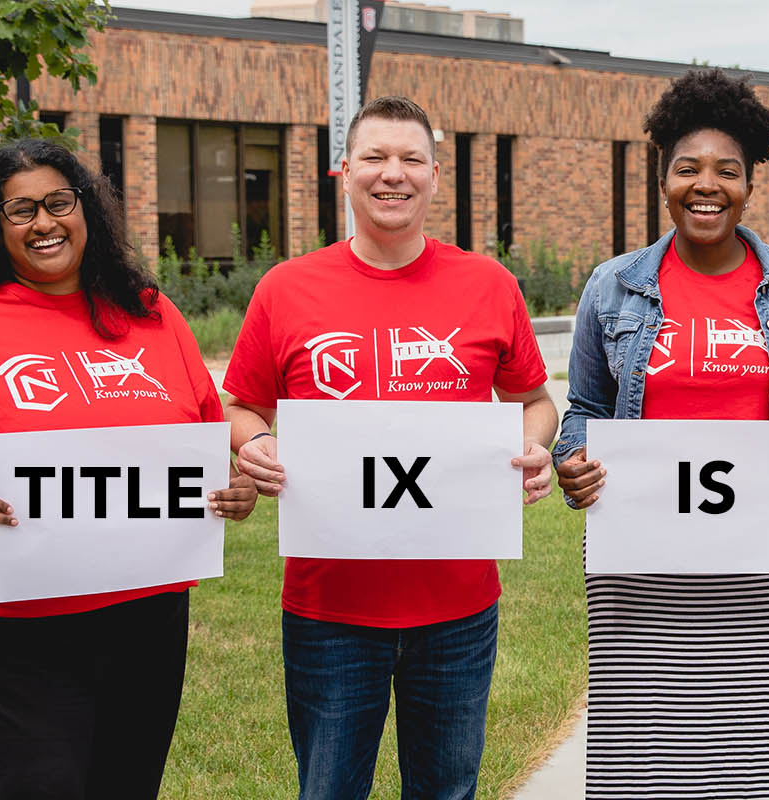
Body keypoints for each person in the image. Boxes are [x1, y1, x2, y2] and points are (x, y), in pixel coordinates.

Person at [0, 138, 257, 799]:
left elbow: (205, 434)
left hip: (143, 611)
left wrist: (234, 489)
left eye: (58, 202)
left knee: (126, 784)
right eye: (21, 210)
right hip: (2, 619)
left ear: (87, 210)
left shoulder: (149, 314)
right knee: (41, 785)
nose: (44, 223)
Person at [222, 95, 557, 800]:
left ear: (436, 176)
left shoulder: (487, 284)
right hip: (328, 610)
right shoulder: (286, 288)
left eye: (410, 159)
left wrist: (533, 447)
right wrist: (253, 443)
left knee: (445, 792)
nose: (392, 174)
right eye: (374, 157)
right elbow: (242, 404)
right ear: (342, 170)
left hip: (459, 609)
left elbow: (533, 401)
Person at [551, 68, 769, 799]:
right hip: (640, 560)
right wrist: (573, 462)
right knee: (638, 760)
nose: (706, 184)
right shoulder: (613, 286)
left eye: (727, 170)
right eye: (688, 168)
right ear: (664, 179)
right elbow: (583, 409)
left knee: (755, 757)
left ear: (751, 182)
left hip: (759, 559)